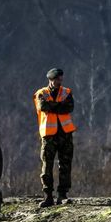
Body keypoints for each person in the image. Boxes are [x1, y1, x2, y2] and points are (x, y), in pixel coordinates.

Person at [35, 67, 76, 207]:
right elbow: (43, 106)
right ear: (51, 80)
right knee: (47, 166)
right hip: (49, 135)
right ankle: (48, 196)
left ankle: (62, 195)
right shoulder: (42, 93)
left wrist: (53, 106)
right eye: (58, 79)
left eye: (61, 79)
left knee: (65, 165)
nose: (60, 81)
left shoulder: (66, 92)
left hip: (65, 134)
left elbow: (69, 107)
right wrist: (59, 106)